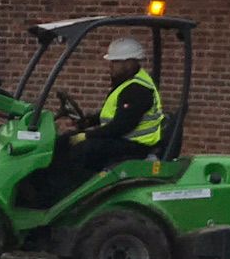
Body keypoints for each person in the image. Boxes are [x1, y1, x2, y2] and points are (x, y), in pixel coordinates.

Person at [60, 35, 164, 182]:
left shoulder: (137, 89)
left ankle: (68, 191)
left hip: (134, 145)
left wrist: (87, 135)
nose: (110, 65)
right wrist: (89, 122)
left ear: (129, 62)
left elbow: (121, 126)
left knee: (80, 151)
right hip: (124, 140)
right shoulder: (127, 83)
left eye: (115, 61)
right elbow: (114, 115)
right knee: (64, 141)